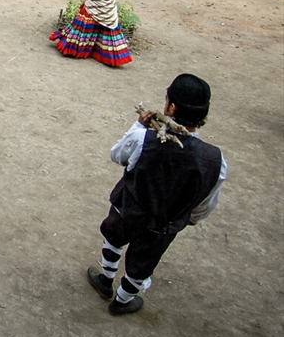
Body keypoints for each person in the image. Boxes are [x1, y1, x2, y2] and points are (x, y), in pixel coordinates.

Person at [86, 74, 226, 315]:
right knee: (143, 262)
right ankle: (122, 301)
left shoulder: (144, 138)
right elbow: (206, 202)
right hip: (164, 226)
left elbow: (117, 155)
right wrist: (190, 218)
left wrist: (139, 125)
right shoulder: (215, 160)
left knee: (114, 237)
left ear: (171, 107)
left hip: (127, 209)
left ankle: (106, 280)